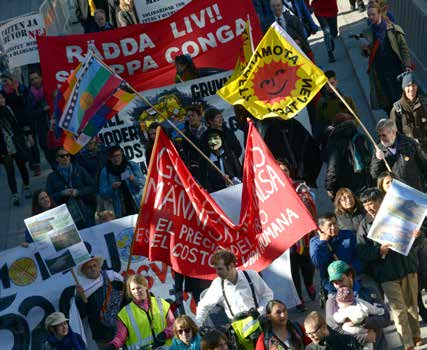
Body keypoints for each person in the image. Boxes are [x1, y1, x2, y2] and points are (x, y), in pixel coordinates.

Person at [357, 188, 423, 350]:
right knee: (398, 310)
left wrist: (417, 236)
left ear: (381, 201)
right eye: (365, 204)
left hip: (407, 267)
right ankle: (407, 343)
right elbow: (362, 251)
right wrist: (378, 251)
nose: (369, 207)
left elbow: (416, 243)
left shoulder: (398, 214)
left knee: (411, 306)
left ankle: (416, 335)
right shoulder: (365, 225)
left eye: (371, 203)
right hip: (386, 274)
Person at [277, 159, 317, 312]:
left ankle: (309, 283)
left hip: (303, 234)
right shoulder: (271, 191)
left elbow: (309, 201)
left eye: (285, 170)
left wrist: (301, 200)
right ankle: (298, 297)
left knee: (307, 263)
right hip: (286, 236)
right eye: (279, 170)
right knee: (292, 268)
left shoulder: (299, 186)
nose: (283, 173)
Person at [196, 249, 273, 326]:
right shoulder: (218, 284)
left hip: (258, 323)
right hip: (237, 328)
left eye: (220, 269)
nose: (217, 273)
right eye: (215, 269)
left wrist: (259, 312)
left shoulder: (250, 275)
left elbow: (267, 295)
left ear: (231, 266)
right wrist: (197, 326)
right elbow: (203, 306)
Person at [325, 260, 390, 349]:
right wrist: (363, 338)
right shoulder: (332, 301)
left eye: (341, 280)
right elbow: (335, 330)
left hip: (378, 345)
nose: (339, 285)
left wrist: (364, 321)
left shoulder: (369, 291)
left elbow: (386, 318)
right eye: (335, 283)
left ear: (350, 275)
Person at [361, 2, 411, 113]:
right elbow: (366, 55)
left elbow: (404, 48)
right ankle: (394, 127)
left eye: (373, 14)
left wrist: (407, 65)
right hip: (379, 74)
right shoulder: (367, 32)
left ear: (379, 13)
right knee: (386, 103)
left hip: (396, 70)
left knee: (401, 99)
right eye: (369, 15)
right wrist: (364, 50)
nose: (370, 17)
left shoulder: (393, 29)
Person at [111, 274, 174, 349]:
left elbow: (174, 325)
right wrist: (113, 345)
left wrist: (165, 334)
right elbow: (120, 337)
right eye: (133, 289)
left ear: (146, 286)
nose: (136, 291)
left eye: (138, 288)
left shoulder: (161, 303)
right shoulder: (125, 313)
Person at [75, 256, 123, 349]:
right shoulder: (82, 289)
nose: (92, 268)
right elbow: (81, 314)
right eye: (89, 267)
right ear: (84, 272)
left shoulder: (113, 277)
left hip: (121, 326)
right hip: (102, 334)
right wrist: (79, 298)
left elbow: (125, 294)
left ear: (99, 267)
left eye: (94, 265)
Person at [310, 212, 362, 294]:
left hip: (352, 279)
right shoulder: (315, 242)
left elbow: (358, 256)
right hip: (332, 284)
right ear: (321, 228)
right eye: (329, 225)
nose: (333, 227)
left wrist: (351, 270)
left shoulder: (348, 235)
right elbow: (317, 263)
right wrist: (323, 243)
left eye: (335, 223)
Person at [370, 119, 427, 191]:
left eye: (384, 135)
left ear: (393, 132)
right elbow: (375, 175)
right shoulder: (378, 149)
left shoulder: (408, 143)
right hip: (397, 192)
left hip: (417, 188)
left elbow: (423, 163)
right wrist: (378, 160)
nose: (381, 139)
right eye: (379, 136)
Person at [46, 147, 96, 229]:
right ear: (57, 159)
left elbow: (93, 187)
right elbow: (49, 197)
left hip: (86, 213)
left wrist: (79, 192)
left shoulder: (80, 170)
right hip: (66, 218)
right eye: (62, 156)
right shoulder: (51, 177)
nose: (65, 157)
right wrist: (62, 193)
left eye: (67, 155)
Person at [1, 73, 40, 176]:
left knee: (32, 143)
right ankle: (31, 164)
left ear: (11, 80)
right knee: (24, 145)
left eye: (5, 80)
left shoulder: (20, 89)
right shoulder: (2, 93)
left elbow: (26, 101)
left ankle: (36, 165)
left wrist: (18, 91)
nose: (4, 83)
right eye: (2, 81)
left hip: (26, 120)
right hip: (15, 124)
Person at [325, 116, 372, 199]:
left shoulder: (335, 141)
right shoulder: (359, 135)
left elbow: (333, 166)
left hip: (347, 182)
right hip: (365, 178)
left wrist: (329, 186)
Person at [0, 91, 31, 205]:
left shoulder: (8, 109)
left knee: (22, 165)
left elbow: (17, 124)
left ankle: (27, 188)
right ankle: (15, 195)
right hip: (3, 147)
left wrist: (26, 136)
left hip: (16, 143)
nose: (2, 100)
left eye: (2, 97)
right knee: (10, 171)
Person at [99, 145, 145, 218]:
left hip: (138, 204)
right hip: (120, 209)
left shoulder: (131, 165)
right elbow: (102, 193)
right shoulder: (105, 171)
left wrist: (134, 179)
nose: (116, 158)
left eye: (118, 155)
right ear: (109, 158)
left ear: (122, 155)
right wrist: (112, 188)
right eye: (112, 157)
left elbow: (144, 183)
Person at [390, 72, 427, 153]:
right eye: (408, 86)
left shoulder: (425, 103)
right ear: (403, 88)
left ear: (417, 87)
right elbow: (394, 137)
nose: (411, 89)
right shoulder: (396, 110)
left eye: (413, 85)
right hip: (413, 154)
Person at [200, 128, 242, 193]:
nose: (213, 142)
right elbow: (206, 182)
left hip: (235, 190)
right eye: (209, 139)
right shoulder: (206, 160)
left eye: (216, 138)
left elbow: (239, 172)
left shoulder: (230, 154)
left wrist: (231, 178)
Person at [28, 71, 51, 168]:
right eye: (32, 79)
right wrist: (42, 110)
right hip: (41, 128)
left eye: (36, 78)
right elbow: (30, 113)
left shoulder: (48, 89)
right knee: (47, 150)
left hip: (53, 125)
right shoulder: (29, 95)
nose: (34, 81)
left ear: (41, 78)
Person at [180, 103, 207, 183]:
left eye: (193, 115)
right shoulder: (185, 135)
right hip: (198, 172)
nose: (190, 118)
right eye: (188, 116)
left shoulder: (208, 130)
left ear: (199, 116)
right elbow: (185, 154)